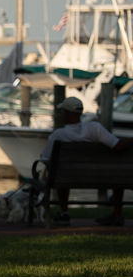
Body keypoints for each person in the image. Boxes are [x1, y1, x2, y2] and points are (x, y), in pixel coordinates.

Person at [39, 96, 132, 226]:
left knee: (61, 173)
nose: (61, 113)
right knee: (118, 173)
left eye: (63, 111)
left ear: (66, 113)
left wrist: (43, 175)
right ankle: (117, 214)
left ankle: (64, 213)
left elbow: (45, 159)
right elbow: (117, 146)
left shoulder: (58, 135)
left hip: (67, 178)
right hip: (104, 178)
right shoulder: (95, 128)